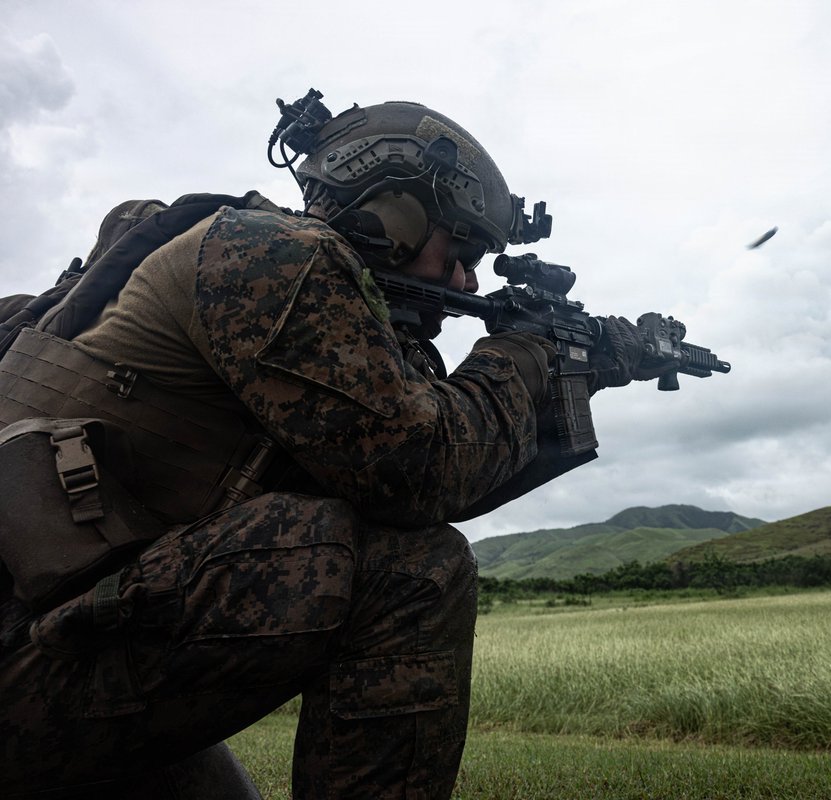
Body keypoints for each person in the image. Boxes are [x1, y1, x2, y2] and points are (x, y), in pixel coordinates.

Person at [0, 92, 659, 798]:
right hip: (35, 656)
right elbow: (423, 472)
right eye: (460, 250)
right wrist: (524, 356)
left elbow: (432, 477)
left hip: (62, 639)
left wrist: (572, 372)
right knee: (412, 572)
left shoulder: (245, 267)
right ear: (395, 218)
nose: (468, 280)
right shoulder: (268, 255)